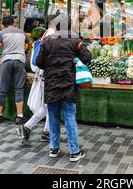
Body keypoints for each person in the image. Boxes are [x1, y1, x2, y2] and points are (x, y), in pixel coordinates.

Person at [33, 20, 91, 162]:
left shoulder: (47, 42)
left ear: (55, 27)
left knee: (53, 116)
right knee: (70, 116)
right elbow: (87, 58)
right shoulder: (76, 40)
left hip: (51, 83)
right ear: (69, 26)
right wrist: (74, 59)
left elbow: (39, 62)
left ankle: (53, 148)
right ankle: (74, 152)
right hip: (69, 84)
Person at [17, 27, 56, 145]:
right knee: (45, 108)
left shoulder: (46, 38)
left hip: (45, 80)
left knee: (48, 108)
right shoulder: (51, 38)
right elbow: (38, 64)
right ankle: (26, 128)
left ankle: (45, 132)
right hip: (45, 80)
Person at [0, 16, 28, 125]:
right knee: (19, 88)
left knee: (2, 88)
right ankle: (19, 116)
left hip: (6, 61)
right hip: (19, 60)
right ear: (14, 23)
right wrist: (25, 51)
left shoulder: (1, 33)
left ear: (3, 24)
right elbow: (30, 43)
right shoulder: (22, 32)